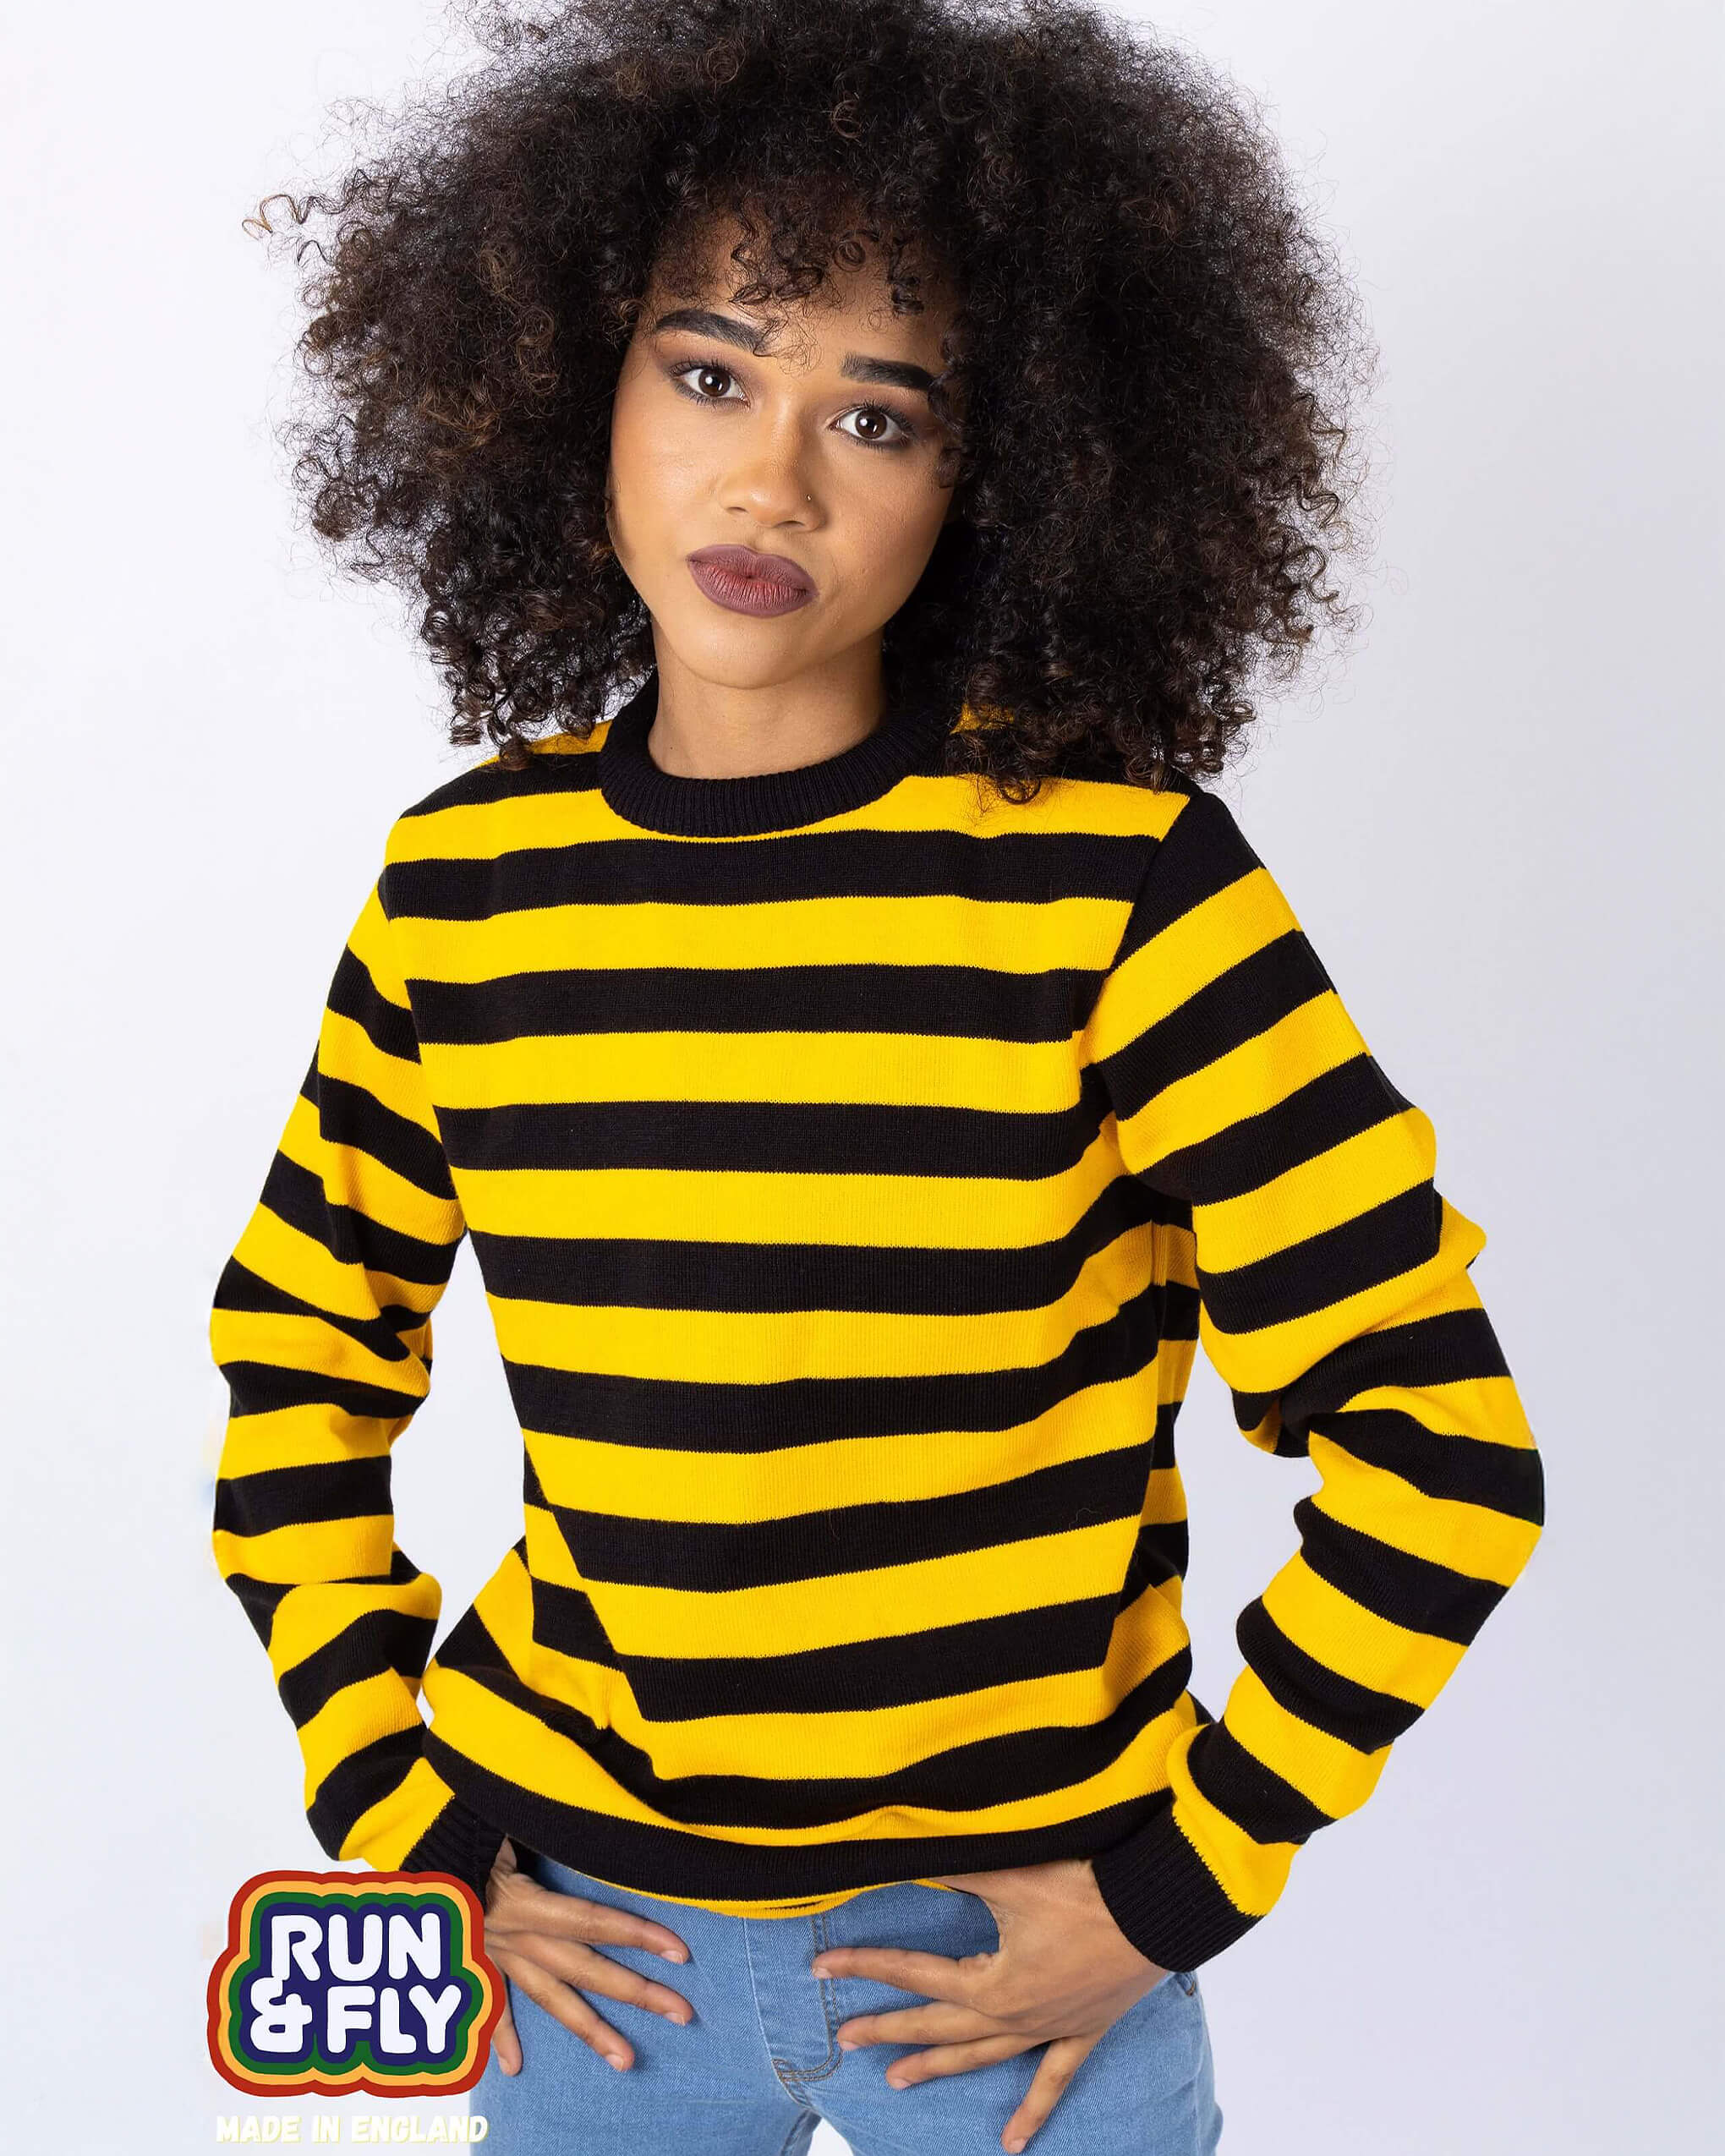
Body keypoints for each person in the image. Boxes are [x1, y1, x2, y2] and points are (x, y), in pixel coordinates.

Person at [209, 2, 1546, 2149]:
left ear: (1000, 473)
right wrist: (414, 1827)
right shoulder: (462, 888)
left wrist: (1175, 1888)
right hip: (586, 1960)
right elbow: (299, 1367)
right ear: (572, 374)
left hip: (1018, 1976)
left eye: (880, 414)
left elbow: (1440, 1444)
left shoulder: (1122, 888)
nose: (774, 479)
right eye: (710, 372)